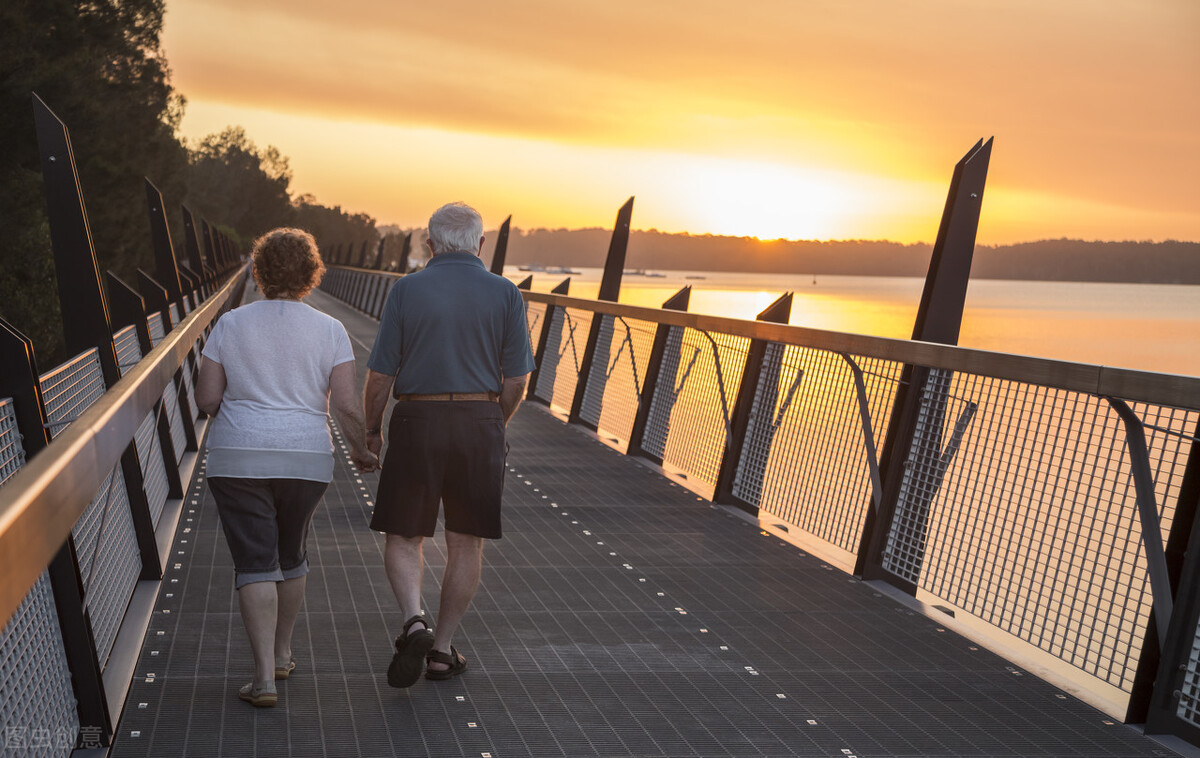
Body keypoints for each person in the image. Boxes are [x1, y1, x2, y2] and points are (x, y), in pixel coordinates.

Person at [196, 228, 378, 708]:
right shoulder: (331, 330)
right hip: (306, 458)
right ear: (311, 275)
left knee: (255, 563)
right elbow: (345, 406)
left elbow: (208, 398)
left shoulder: (231, 325)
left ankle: (263, 680)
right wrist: (362, 451)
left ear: (258, 272)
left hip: (239, 457)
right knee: (291, 553)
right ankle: (281, 653)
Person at [363, 202, 534, 687]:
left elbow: (380, 375)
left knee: (403, 533)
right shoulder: (505, 292)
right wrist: (492, 421)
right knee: (466, 540)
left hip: (418, 417)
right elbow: (518, 378)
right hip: (479, 420)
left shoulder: (406, 290)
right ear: (480, 245)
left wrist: (372, 431)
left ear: (429, 244)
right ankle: (441, 651)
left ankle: (414, 622)